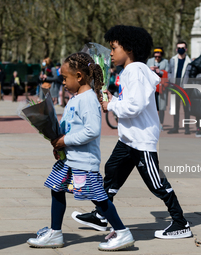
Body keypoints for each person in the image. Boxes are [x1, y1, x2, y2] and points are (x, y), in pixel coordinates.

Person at [72, 25, 193, 240]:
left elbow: (134, 107)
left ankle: (180, 222)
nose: (110, 53)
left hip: (141, 139)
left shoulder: (135, 71)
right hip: (128, 139)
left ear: (129, 49)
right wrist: (112, 99)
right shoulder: (129, 71)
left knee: (156, 183)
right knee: (112, 171)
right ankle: (101, 215)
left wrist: (111, 106)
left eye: (114, 48)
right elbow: (130, 103)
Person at [27, 52, 135, 251]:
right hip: (69, 158)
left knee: (98, 198)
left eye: (65, 78)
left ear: (79, 76)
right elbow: (71, 127)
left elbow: (91, 130)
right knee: (57, 188)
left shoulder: (87, 100)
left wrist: (64, 140)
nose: (64, 82)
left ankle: (122, 232)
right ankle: (55, 233)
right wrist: (59, 144)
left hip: (83, 161)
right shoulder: (78, 98)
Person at [167, 41, 192, 134]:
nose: (181, 49)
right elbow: (169, 71)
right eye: (179, 48)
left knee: (186, 109)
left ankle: (187, 128)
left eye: (183, 47)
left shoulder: (189, 62)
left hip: (185, 88)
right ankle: (175, 127)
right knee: (175, 108)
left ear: (186, 49)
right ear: (176, 49)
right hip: (175, 87)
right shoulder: (172, 60)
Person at [147, 47, 169, 129]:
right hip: (152, 88)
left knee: (161, 107)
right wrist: (150, 69)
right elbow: (145, 71)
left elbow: (168, 73)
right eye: (156, 56)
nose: (157, 58)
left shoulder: (165, 62)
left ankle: (161, 124)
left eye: (159, 57)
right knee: (152, 106)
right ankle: (152, 123)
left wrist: (160, 72)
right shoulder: (149, 61)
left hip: (161, 87)